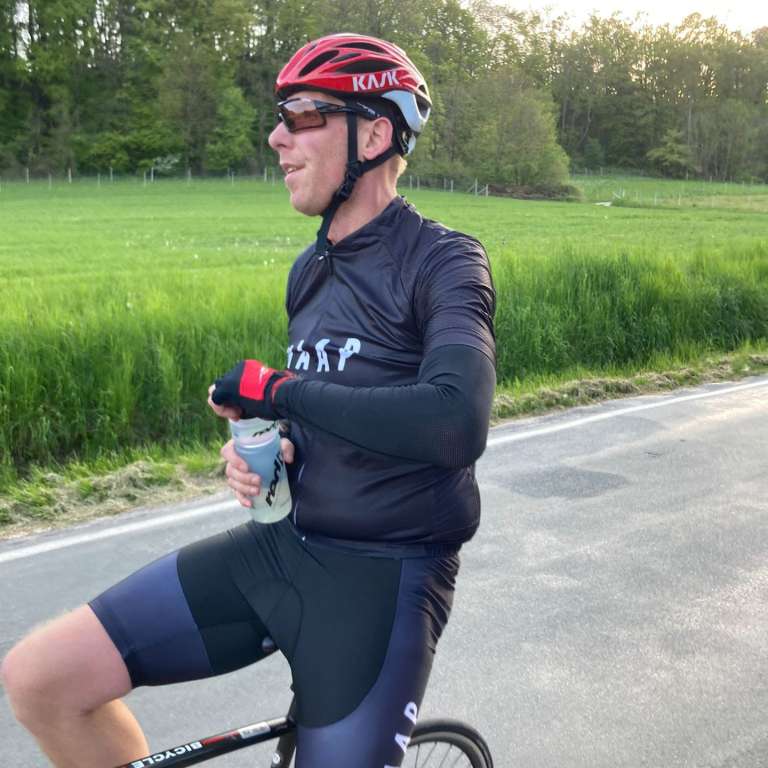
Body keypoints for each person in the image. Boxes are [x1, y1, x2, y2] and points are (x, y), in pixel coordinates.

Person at [1, 33, 496, 767]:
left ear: (374, 134)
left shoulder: (445, 260)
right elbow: (331, 403)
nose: (276, 136)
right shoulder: (310, 270)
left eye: (302, 115)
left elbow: (455, 422)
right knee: (40, 681)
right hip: (283, 548)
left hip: (383, 580)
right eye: (279, 116)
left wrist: (277, 388)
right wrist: (275, 445)